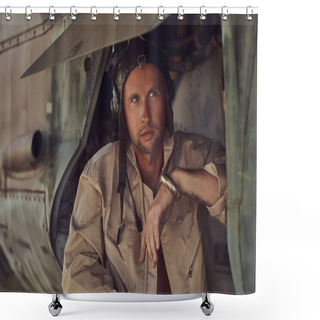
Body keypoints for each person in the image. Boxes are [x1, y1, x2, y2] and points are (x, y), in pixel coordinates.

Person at [62, 37, 227, 294]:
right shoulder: (99, 174)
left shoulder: (198, 154)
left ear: (166, 98)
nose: (146, 116)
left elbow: (241, 203)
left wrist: (178, 182)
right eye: (135, 100)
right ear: (120, 108)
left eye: (153, 94)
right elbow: (77, 270)